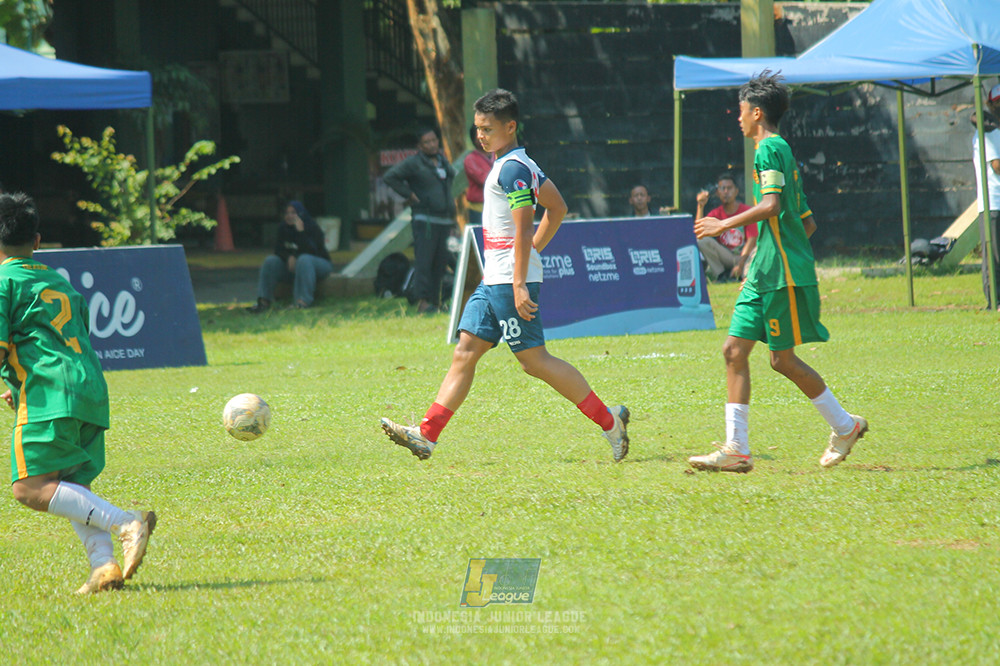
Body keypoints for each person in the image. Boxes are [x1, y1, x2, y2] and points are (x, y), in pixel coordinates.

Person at [379, 88, 630, 463]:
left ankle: (610, 422)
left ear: (510, 127)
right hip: (494, 279)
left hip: (507, 280)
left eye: (488, 129)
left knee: (535, 362)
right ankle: (427, 435)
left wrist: (519, 279)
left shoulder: (513, 169)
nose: (480, 136)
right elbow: (558, 207)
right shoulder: (519, 164)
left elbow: (527, 223)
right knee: (465, 351)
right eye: (478, 129)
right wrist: (530, 257)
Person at [689, 71, 867, 473]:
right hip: (766, 271)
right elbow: (806, 221)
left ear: (756, 112)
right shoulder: (780, 151)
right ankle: (737, 449)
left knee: (781, 360)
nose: (737, 118)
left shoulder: (769, 149)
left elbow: (771, 206)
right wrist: (768, 257)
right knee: (734, 351)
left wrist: (723, 225)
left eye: (740, 111)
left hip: (779, 273)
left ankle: (846, 426)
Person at [0, 192, 155, 593]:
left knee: (30, 488)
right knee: (70, 484)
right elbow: (63, 340)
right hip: (88, 390)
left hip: (50, 392)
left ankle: (126, 522)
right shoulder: (59, 282)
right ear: (37, 241)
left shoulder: (3, 283)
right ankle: (104, 566)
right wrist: (18, 384)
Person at [384, 128, 456, 314]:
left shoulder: (442, 161)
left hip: (443, 220)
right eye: (427, 142)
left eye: (434, 140)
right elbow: (390, 177)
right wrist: (409, 195)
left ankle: (436, 302)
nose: (432, 145)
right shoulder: (413, 163)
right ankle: (422, 302)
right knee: (425, 262)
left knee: (440, 263)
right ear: (419, 146)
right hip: (425, 220)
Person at [247, 200, 333, 312]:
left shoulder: (312, 227)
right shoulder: (283, 228)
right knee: (270, 261)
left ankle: (302, 302)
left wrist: (301, 233)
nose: (289, 216)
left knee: (304, 259)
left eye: (293, 213)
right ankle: (264, 301)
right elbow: (278, 250)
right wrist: (289, 257)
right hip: (294, 267)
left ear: (300, 214)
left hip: (318, 265)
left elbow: (312, 251)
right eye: (287, 213)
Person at [695, 173, 759, 281]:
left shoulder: (746, 211)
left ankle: (744, 276)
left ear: (736, 191)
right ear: (717, 192)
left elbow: (752, 240)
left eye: (729, 188)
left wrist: (740, 265)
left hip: (745, 256)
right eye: (722, 188)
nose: (726, 192)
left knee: (758, 250)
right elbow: (699, 232)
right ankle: (721, 275)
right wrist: (700, 206)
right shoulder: (716, 213)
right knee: (702, 241)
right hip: (727, 256)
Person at [971, 84, 1000, 310]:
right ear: (991, 104)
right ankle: (995, 301)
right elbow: (997, 165)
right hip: (993, 202)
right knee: (994, 256)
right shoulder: (988, 131)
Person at [464, 125, 494, 227]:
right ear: (473, 139)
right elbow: (483, 180)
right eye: (479, 136)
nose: (483, 138)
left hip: (497, 205)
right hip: (479, 208)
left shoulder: (496, 154)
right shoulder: (470, 159)